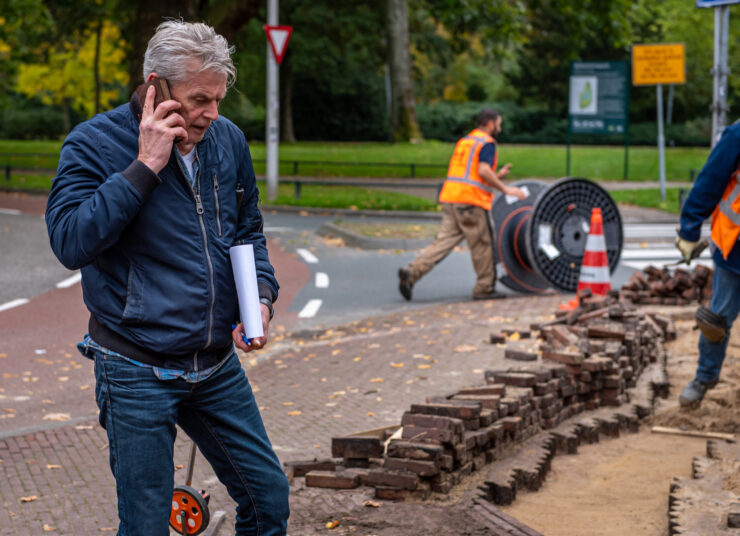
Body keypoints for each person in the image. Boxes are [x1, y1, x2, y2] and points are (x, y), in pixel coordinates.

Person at [45, 21, 289, 535]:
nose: (213, 113)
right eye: (200, 99)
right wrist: (144, 166)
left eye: (219, 98)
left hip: (215, 364)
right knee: (147, 525)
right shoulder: (93, 143)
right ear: (156, 86)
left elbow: (247, 231)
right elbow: (70, 242)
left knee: (268, 500)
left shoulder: (227, 141)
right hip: (135, 365)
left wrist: (259, 298)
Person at [398, 109, 526, 301]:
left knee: (443, 243)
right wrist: (505, 189)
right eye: (498, 123)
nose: (499, 127)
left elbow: (470, 174)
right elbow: (482, 171)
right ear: (490, 124)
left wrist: (497, 176)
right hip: (471, 203)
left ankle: (412, 272)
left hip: (452, 199)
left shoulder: (466, 142)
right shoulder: (487, 143)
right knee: (483, 244)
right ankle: (484, 288)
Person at [676, 121, 740, 408]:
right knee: (717, 320)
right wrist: (689, 228)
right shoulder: (739, 134)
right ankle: (705, 377)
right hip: (736, 247)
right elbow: (710, 180)